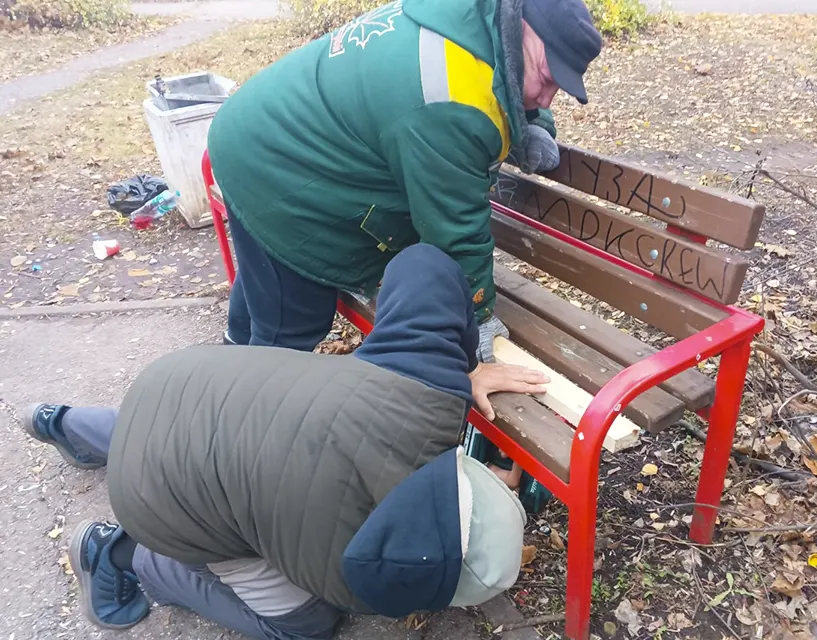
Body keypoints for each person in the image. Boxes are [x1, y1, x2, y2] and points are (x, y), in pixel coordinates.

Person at [21, 244, 549, 639]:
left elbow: (423, 264)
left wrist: (466, 366)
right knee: (306, 625)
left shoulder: (425, 393)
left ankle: (62, 422)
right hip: (158, 499)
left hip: (180, 382)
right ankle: (117, 553)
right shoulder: (348, 577)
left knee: (233, 423)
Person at [206, 0, 603, 360]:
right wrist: (476, 318)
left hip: (256, 129)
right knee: (290, 321)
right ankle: (244, 423)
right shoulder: (450, 97)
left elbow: (510, 79)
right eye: (548, 77)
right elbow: (454, 227)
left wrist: (532, 125)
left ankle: (224, 369)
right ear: (523, 30)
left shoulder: (476, 16)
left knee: (264, 288)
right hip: (277, 168)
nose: (549, 98)